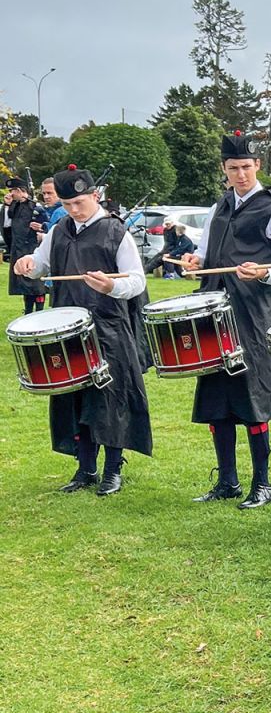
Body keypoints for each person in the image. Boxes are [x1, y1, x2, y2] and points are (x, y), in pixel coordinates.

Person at [179, 131, 271, 510]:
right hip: (214, 315)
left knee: (253, 399)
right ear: (224, 169)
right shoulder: (219, 207)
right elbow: (205, 255)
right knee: (217, 399)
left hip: (251, 317)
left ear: (257, 165)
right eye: (233, 168)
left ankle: (262, 484)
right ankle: (227, 481)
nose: (241, 174)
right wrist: (194, 261)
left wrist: (264, 273)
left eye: (246, 167)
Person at [13, 166, 152, 495]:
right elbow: (42, 263)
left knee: (111, 398)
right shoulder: (60, 229)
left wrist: (110, 286)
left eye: (79, 202)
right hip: (69, 327)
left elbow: (136, 280)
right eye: (67, 204)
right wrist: (28, 263)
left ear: (95, 195)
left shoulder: (115, 231)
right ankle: (85, 468)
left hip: (108, 327)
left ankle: (113, 469)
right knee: (76, 397)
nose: (74, 210)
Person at [6, 177, 47, 314]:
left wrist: (40, 228)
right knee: (24, 286)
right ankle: (28, 311)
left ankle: (40, 311)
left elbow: (45, 225)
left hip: (32, 249)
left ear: (19, 190)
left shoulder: (35, 206)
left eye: (12, 191)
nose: (10, 194)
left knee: (37, 285)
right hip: (18, 249)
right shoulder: (15, 206)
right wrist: (8, 205)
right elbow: (7, 224)